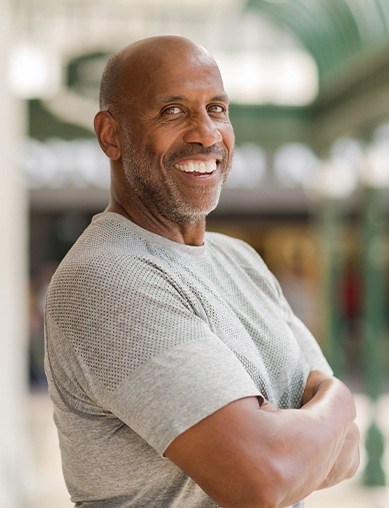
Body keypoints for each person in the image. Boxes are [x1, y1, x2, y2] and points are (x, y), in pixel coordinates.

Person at [44, 35, 360, 508]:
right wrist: (338, 402)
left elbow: (348, 454)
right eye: (173, 111)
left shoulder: (240, 260)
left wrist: (304, 434)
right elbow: (264, 480)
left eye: (216, 108)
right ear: (111, 134)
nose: (207, 134)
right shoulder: (106, 278)